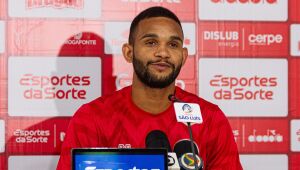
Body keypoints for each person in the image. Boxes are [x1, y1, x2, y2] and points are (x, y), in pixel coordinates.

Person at [57, 6, 242, 170]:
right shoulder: (92, 118)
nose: (163, 53)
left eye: (173, 44)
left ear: (184, 56)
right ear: (129, 53)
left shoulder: (210, 118)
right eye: (151, 42)